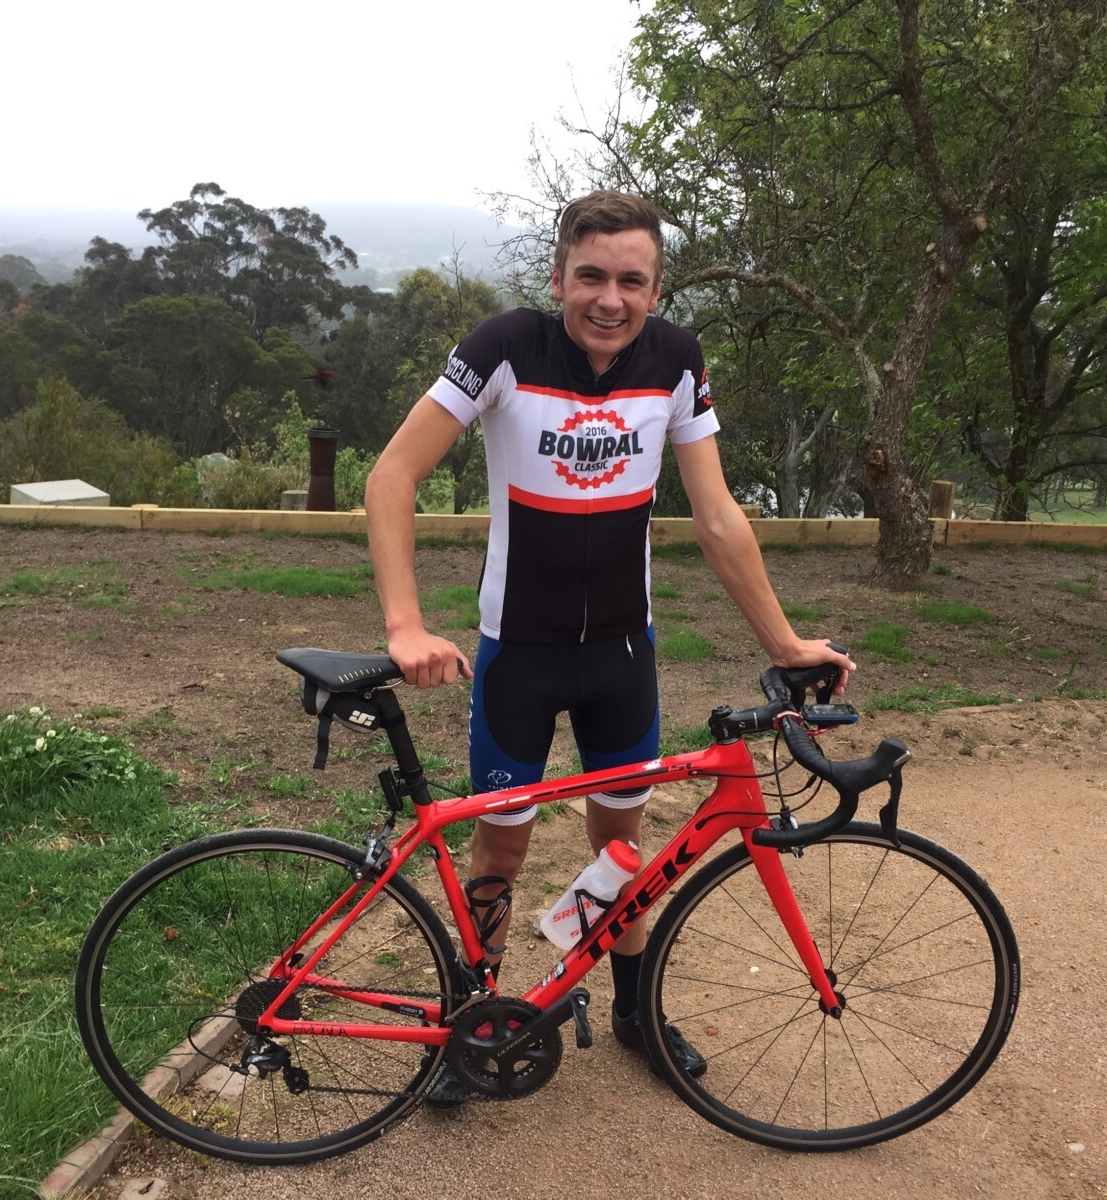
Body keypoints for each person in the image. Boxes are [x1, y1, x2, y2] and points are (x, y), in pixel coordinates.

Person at [365, 190, 855, 1102]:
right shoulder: (504, 346)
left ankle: (633, 1011)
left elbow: (715, 516)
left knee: (623, 847)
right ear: (559, 278)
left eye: (633, 281)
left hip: (620, 658)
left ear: (656, 289)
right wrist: (404, 624)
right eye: (590, 276)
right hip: (518, 653)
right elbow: (393, 473)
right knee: (499, 855)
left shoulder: (675, 361)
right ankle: (476, 1023)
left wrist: (785, 640)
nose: (610, 298)